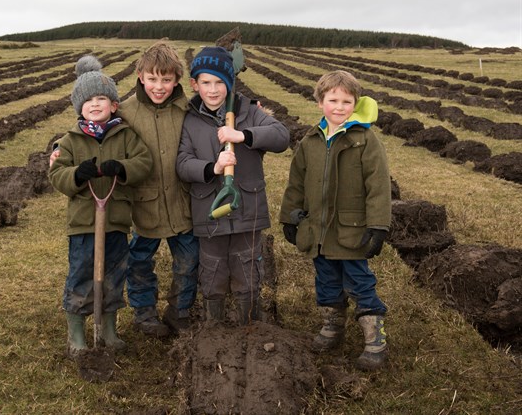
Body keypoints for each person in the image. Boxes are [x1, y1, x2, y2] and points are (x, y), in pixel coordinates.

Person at [279, 70, 391, 371]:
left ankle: (374, 338)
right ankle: (333, 326)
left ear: (355, 103)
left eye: (346, 101)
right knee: (326, 279)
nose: (339, 107)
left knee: (359, 280)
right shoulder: (311, 140)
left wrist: (378, 225)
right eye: (333, 100)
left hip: (351, 230)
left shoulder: (365, 139)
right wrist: (289, 216)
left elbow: (379, 184)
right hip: (317, 229)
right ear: (320, 102)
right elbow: (297, 181)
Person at [176, 46, 290, 325]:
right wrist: (213, 167)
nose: (213, 90)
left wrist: (241, 135)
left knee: (246, 266)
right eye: (206, 82)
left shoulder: (249, 112)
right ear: (195, 84)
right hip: (209, 210)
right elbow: (182, 162)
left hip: (246, 210)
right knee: (212, 270)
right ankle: (212, 326)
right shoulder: (190, 119)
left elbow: (281, 136)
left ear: (229, 83)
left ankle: (248, 324)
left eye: (219, 82)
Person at [49, 55, 152, 358]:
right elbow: (57, 174)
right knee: (81, 275)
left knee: (113, 275)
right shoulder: (70, 141)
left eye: (101, 99)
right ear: (78, 108)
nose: (95, 105)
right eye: (88, 101)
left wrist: (121, 167)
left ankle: (109, 330)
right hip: (83, 223)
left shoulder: (125, 134)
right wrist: (76, 175)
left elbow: (143, 162)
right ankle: (77, 335)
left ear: (114, 105)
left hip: (116, 221)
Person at [119, 41, 200, 337]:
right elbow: (93, 128)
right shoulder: (125, 110)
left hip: (182, 202)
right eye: (152, 79)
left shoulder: (188, 109)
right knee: (138, 261)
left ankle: (179, 310)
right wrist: (58, 148)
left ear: (177, 79)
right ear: (140, 76)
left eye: (166, 80)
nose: (159, 86)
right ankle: (144, 314)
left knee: (190, 260)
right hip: (144, 205)